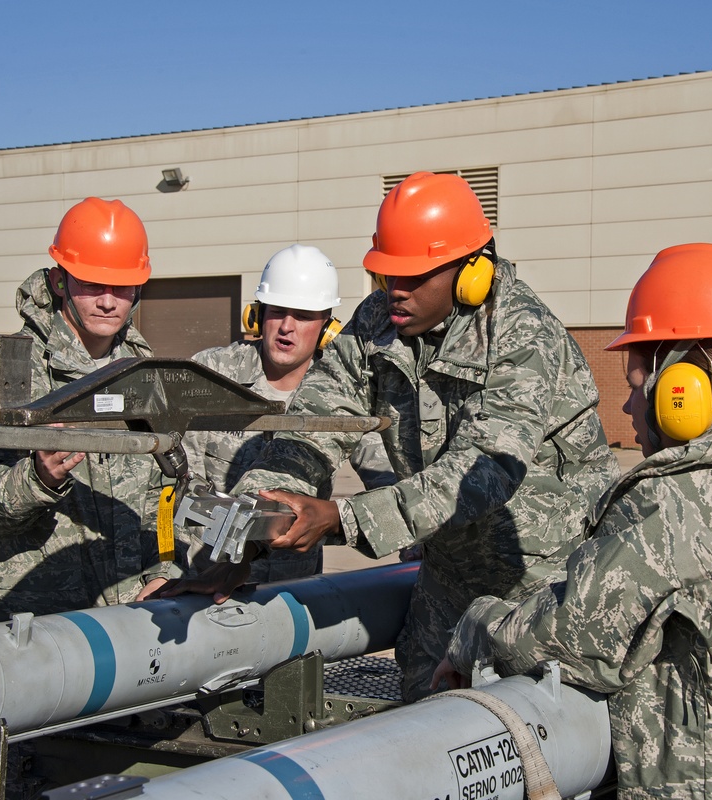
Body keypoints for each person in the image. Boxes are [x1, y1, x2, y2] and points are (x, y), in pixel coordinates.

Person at [435, 243, 712, 798]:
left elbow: (571, 639)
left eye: (634, 383)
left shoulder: (677, 498)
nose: (627, 408)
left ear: (681, 388)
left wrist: (475, 627)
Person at [160, 172, 620, 702]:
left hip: (543, 584)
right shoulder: (378, 319)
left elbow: (484, 472)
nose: (395, 291)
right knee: (424, 730)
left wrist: (344, 518)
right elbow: (313, 422)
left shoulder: (523, 335)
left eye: (413, 277)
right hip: (447, 576)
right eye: (385, 275)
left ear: (472, 271)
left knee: (533, 742)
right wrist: (251, 529)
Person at [0, 197, 181, 622]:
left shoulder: (146, 378)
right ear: (60, 281)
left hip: (128, 619)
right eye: (93, 284)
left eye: (123, 287)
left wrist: (164, 568)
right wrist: (36, 478)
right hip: (33, 627)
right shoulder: (9, 372)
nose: (109, 301)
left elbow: (163, 497)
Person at [181, 243, 394, 581]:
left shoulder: (341, 392)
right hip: (206, 577)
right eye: (278, 311)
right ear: (257, 315)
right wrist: (163, 569)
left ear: (328, 329)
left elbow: (385, 473)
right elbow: (170, 486)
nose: (287, 327)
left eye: (305, 316)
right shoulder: (212, 375)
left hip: (289, 592)